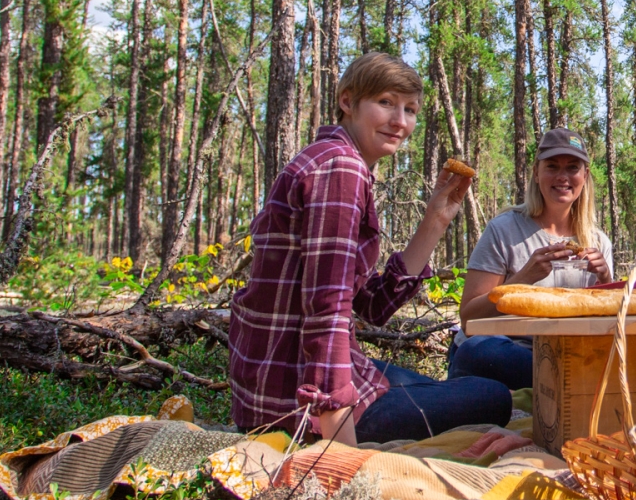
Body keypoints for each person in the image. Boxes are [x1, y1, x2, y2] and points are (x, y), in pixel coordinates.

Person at [229, 52, 511, 446]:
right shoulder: (339, 169)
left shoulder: (339, 162)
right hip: (292, 397)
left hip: (306, 372)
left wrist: (436, 219)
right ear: (347, 102)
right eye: (386, 103)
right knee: (492, 396)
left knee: (449, 385)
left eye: (410, 109)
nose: (400, 122)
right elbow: (325, 309)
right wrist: (339, 446)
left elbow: (373, 307)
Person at [449, 128, 614, 390]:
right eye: (552, 166)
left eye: (572, 167)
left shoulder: (598, 242)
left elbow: (606, 326)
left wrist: (605, 278)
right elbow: (469, 319)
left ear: (585, 176)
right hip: (504, 352)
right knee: (482, 351)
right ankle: (566, 385)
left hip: (562, 354)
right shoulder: (504, 230)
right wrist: (524, 278)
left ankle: (561, 384)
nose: (562, 177)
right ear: (536, 174)